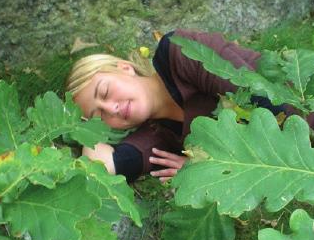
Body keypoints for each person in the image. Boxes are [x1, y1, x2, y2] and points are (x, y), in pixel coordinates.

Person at [67, 29, 277, 182]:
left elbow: (263, 100)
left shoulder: (179, 51)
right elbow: (112, 164)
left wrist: (207, 166)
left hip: (302, 111)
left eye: (104, 91)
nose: (111, 108)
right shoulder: (156, 133)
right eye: (100, 116)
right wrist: (86, 132)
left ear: (125, 68)